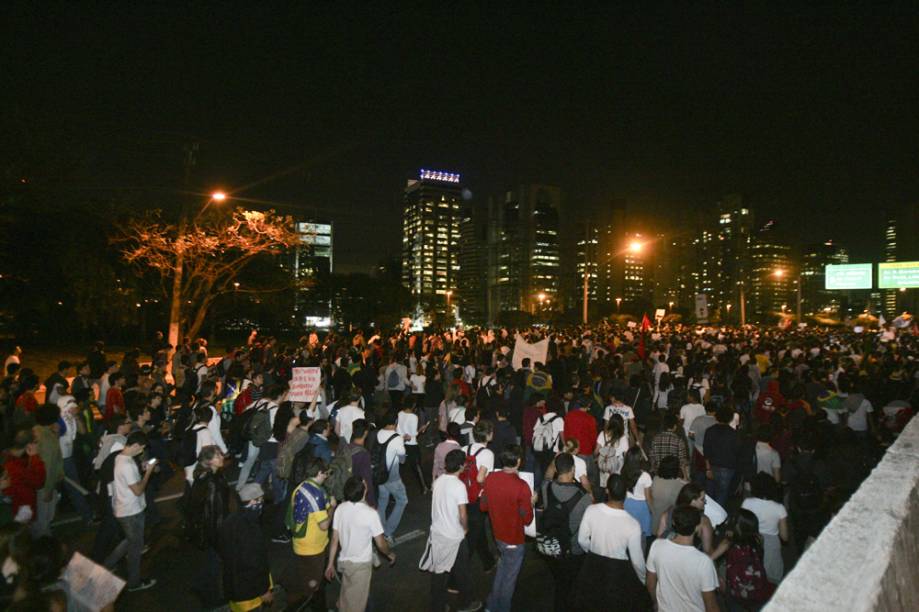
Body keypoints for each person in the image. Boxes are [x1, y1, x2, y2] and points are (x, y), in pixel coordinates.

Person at [575, 474, 650, 611]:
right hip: (617, 571)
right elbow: (637, 560)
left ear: (607, 490)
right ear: (626, 494)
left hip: (592, 565)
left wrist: (592, 552)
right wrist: (644, 579)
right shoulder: (632, 524)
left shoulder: (592, 510)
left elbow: (581, 539)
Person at [422, 448, 482, 612]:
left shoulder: (438, 481)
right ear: (462, 466)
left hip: (438, 532)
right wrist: (465, 528)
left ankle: (437, 606)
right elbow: (462, 514)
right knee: (462, 570)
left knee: (439, 572)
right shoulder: (459, 486)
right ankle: (467, 603)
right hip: (454, 535)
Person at [325, 476, 395, 612]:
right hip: (360, 566)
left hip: (345, 562)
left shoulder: (340, 509)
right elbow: (381, 544)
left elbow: (334, 539)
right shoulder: (370, 514)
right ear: (364, 492)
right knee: (353, 606)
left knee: (352, 595)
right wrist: (390, 554)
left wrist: (330, 564)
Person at [479, 445, 534, 612]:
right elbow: (528, 518)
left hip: (498, 535)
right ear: (518, 461)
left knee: (503, 570)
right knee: (509, 579)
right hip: (514, 539)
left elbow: (483, 507)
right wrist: (530, 503)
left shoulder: (490, 478)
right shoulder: (522, 486)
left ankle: (491, 605)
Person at [103, 431, 157, 592]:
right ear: (134, 445)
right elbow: (138, 490)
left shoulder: (121, 457)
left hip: (124, 508)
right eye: (141, 448)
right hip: (130, 511)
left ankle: (107, 565)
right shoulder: (125, 464)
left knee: (129, 540)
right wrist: (148, 472)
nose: (141, 451)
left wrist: (141, 468)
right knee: (135, 547)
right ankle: (134, 582)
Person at [539, 452, 591, 612]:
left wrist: (554, 461)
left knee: (560, 577)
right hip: (572, 548)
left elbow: (547, 475)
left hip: (551, 544)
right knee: (568, 586)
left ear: (556, 469)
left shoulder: (546, 487)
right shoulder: (583, 497)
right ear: (573, 469)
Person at [646, 505, 720, 612]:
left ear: (674, 523)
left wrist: (656, 602)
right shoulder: (704, 562)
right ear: (697, 527)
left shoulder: (657, 546)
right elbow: (711, 605)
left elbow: (650, 583)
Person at [284, 456, 333, 611]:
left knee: (307, 581)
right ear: (319, 472)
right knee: (313, 588)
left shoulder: (300, 487)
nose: (327, 476)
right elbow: (324, 525)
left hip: (300, 543)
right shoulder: (316, 494)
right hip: (313, 548)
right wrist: (332, 507)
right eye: (326, 473)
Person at [216, 483, 274, 612]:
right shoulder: (251, 528)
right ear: (253, 501)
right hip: (250, 593)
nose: (262, 504)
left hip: (234, 586)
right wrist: (263, 590)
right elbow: (254, 563)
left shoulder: (230, 520)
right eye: (261, 500)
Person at [186, 445, 231, 607]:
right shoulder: (213, 482)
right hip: (212, 530)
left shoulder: (205, 476)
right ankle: (211, 598)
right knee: (215, 563)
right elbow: (214, 512)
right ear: (209, 461)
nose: (222, 458)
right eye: (217, 456)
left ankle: (200, 586)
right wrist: (220, 535)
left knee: (208, 561)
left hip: (205, 529)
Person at [709, 509, 775, 610]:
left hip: (736, 590)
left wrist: (718, 578)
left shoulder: (728, 543)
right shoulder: (758, 539)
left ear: (738, 527)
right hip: (758, 586)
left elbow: (710, 559)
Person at [741, 473, 789, 584]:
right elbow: (785, 537)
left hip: (751, 540)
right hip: (771, 544)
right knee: (770, 576)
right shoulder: (779, 508)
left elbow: (742, 524)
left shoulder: (747, 503)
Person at [464, 421, 497, 572]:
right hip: (478, 498)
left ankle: (488, 561)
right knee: (472, 536)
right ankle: (455, 577)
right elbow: (480, 478)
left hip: (463, 496)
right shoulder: (487, 453)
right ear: (488, 435)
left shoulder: (465, 448)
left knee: (478, 529)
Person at [655, 483, 715, 554]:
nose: (705, 502)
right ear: (692, 501)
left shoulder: (668, 513)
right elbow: (707, 550)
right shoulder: (703, 521)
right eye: (702, 499)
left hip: (666, 555)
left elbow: (659, 537)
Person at [376, 411, 408, 541]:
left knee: (382, 501)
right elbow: (402, 460)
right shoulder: (397, 438)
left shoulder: (378, 433)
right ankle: (388, 532)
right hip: (391, 476)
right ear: (396, 422)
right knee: (402, 500)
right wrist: (402, 441)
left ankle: (379, 530)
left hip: (379, 474)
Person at [32, 404, 63, 537]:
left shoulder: (36, 431)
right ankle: (44, 548)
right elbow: (49, 466)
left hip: (36, 483)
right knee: (44, 519)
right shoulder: (47, 438)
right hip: (44, 485)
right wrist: (48, 490)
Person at [1, 429, 45, 523]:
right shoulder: (15, 467)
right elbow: (39, 482)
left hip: (19, 507)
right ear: (29, 445)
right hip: (22, 510)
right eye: (36, 442)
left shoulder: (7, 456)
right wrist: (35, 457)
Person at [703, 405, 741, 507]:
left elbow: (706, 450)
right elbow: (737, 452)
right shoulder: (734, 434)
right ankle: (719, 520)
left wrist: (707, 469)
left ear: (716, 416)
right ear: (730, 418)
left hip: (711, 466)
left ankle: (708, 518)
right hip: (728, 468)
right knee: (722, 495)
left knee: (709, 497)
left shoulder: (710, 431)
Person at [649, 456, 687, 539]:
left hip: (653, 523)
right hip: (666, 527)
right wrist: (684, 472)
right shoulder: (679, 485)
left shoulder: (655, 479)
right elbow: (689, 489)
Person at [398, 397, 429, 494]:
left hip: (402, 443)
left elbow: (399, 429)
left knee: (402, 466)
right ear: (413, 406)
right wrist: (421, 429)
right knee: (417, 466)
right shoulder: (414, 417)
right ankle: (424, 487)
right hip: (412, 444)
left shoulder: (400, 413)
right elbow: (413, 434)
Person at [650, 413, 690, 480]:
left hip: (659, 473)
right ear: (675, 426)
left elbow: (652, 457)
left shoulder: (655, 439)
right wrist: (686, 477)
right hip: (674, 475)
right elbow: (682, 461)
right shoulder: (679, 441)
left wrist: (654, 470)